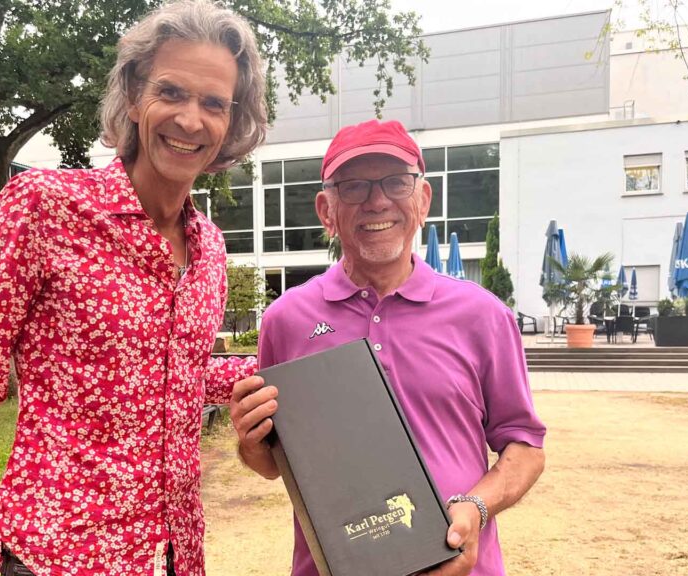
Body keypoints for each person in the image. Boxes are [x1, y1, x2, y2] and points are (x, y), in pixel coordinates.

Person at [0, 2, 267, 575]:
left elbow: (171, 373)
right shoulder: (43, 209)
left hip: (173, 555)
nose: (191, 121)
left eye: (213, 104)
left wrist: (281, 369)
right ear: (132, 95)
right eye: (171, 92)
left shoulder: (210, 249)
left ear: (232, 120)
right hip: (55, 554)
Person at [230, 120, 547, 576]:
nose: (377, 201)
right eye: (354, 186)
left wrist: (476, 508)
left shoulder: (482, 315)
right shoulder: (286, 319)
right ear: (327, 209)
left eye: (396, 182)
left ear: (423, 199)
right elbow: (270, 464)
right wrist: (249, 440)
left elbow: (525, 446)